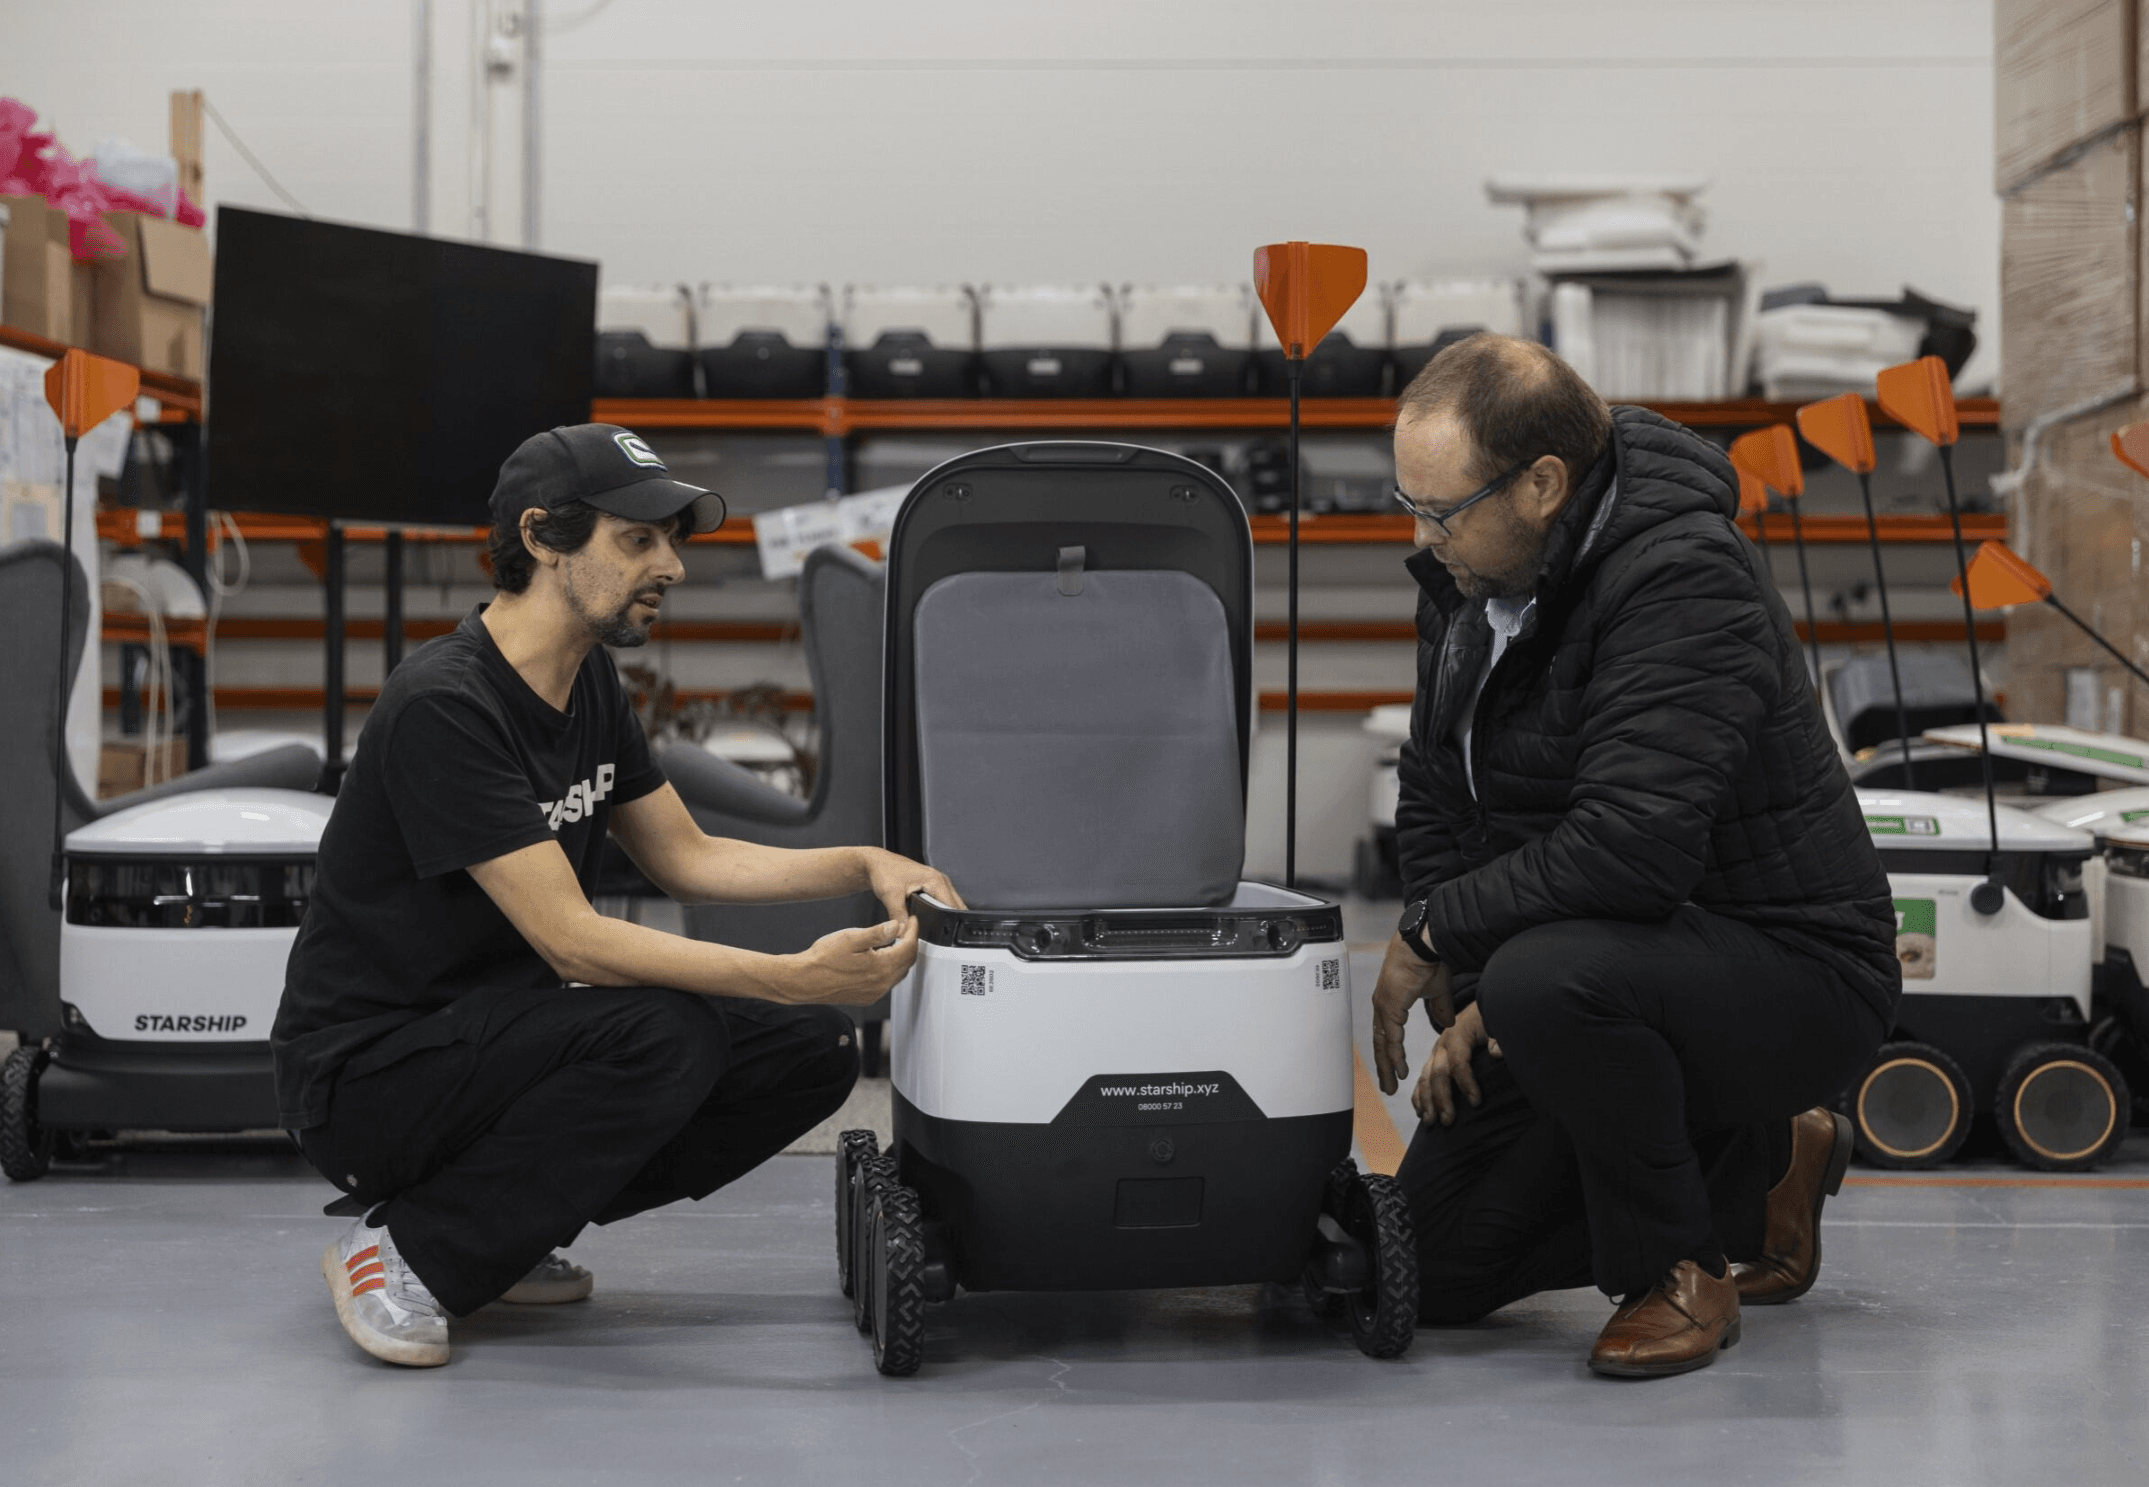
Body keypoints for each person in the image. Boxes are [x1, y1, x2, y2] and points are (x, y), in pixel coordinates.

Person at [272, 423, 962, 1368]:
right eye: (637, 539)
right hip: (366, 1078)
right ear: (545, 539)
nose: (670, 565)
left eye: (670, 540)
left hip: (490, 1042)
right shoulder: (446, 703)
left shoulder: (589, 680)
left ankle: (496, 1225)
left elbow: (687, 858)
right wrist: (788, 971)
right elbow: (574, 943)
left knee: (805, 1050)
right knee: (667, 1035)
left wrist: (867, 863)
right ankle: (407, 1254)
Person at [1370, 335, 1899, 1378]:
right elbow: (1435, 787)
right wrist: (1474, 993)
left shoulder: (1682, 576)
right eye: (1409, 505)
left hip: (1787, 967)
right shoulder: (1474, 577)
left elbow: (1630, 850)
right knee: (1438, 1264)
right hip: (1614, 957)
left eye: (1440, 510)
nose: (1421, 538)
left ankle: (1680, 1270)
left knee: (1544, 979)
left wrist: (1441, 936)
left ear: (1542, 483)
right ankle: (1766, 1158)